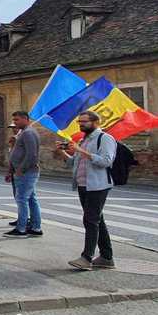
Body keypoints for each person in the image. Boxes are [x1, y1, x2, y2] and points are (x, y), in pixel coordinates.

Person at [58, 110, 118, 270]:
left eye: (84, 121)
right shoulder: (84, 140)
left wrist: (80, 150)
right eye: (80, 122)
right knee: (98, 220)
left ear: (96, 122)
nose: (81, 124)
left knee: (90, 220)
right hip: (83, 185)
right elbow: (74, 163)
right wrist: (62, 152)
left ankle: (86, 258)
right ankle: (106, 257)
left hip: (98, 186)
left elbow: (106, 161)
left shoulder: (105, 138)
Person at [4, 111, 43, 237]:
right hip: (24, 171)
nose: (15, 122)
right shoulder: (24, 133)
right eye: (14, 120)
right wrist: (11, 170)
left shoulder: (28, 133)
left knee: (22, 199)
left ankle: (21, 228)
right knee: (31, 199)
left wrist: (21, 169)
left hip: (26, 172)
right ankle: (36, 227)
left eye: (17, 120)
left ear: (25, 119)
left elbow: (32, 154)